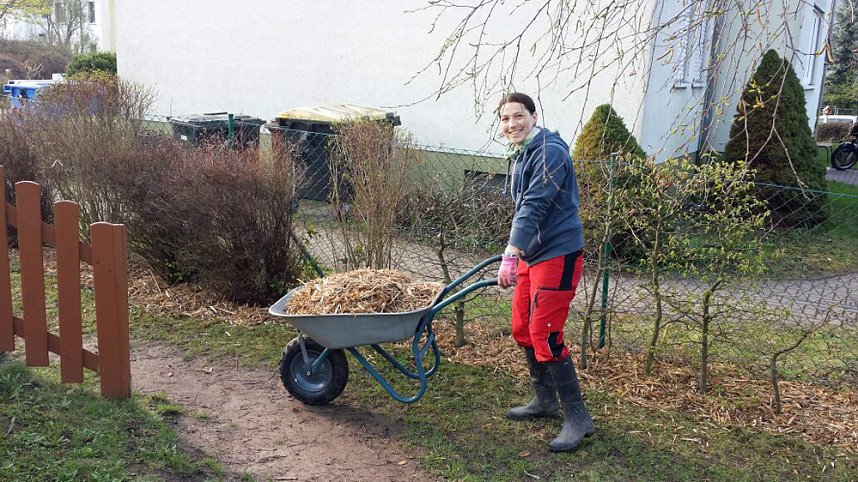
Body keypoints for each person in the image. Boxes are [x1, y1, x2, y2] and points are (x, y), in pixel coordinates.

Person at [495, 92, 595, 452]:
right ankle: (545, 400)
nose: (512, 124)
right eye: (505, 119)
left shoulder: (550, 151)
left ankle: (578, 418)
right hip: (534, 254)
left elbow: (535, 203)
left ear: (534, 116)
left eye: (518, 116)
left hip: (558, 253)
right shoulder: (525, 152)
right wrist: (518, 249)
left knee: (546, 334)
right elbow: (524, 206)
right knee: (522, 328)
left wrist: (511, 251)